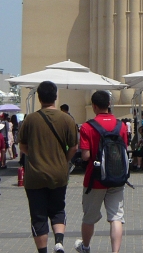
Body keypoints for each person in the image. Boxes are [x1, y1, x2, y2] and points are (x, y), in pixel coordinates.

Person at [18, 81, 79, 253]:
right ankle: (59, 242)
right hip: (59, 174)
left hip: (35, 175)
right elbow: (74, 147)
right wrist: (64, 161)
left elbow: (22, 146)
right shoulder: (67, 119)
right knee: (58, 208)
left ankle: (43, 251)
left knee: (38, 215)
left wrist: (35, 156)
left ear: (39, 98)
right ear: (56, 96)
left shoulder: (30, 119)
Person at [74, 91, 129, 253]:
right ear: (109, 105)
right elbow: (124, 149)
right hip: (117, 177)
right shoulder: (121, 125)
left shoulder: (87, 127)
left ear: (94, 106)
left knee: (89, 218)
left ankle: (85, 246)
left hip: (95, 179)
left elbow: (86, 156)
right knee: (116, 217)